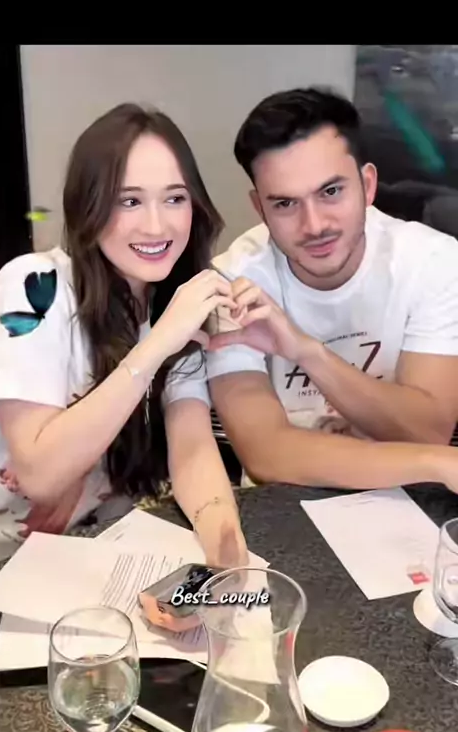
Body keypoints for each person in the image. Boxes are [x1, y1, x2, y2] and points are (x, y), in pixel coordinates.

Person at [0, 103, 247, 581]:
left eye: (175, 198)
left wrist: (225, 552)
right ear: (89, 207)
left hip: (94, 555)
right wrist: (156, 345)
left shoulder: (173, 304)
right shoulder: (35, 288)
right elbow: (40, 476)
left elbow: (191, 448)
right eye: (129, 201)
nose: (156, 226)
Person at [172, 86, 458, 493]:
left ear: (368, 185)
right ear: (260, 208)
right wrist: (435, 463)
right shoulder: (231, 282)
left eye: (331, 192)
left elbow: (427, 431)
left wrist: (308, 353)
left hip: (407, 498)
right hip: (286, 504)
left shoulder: (433, 262)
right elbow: (265, 453)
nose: (314, 225)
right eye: (285, 204)